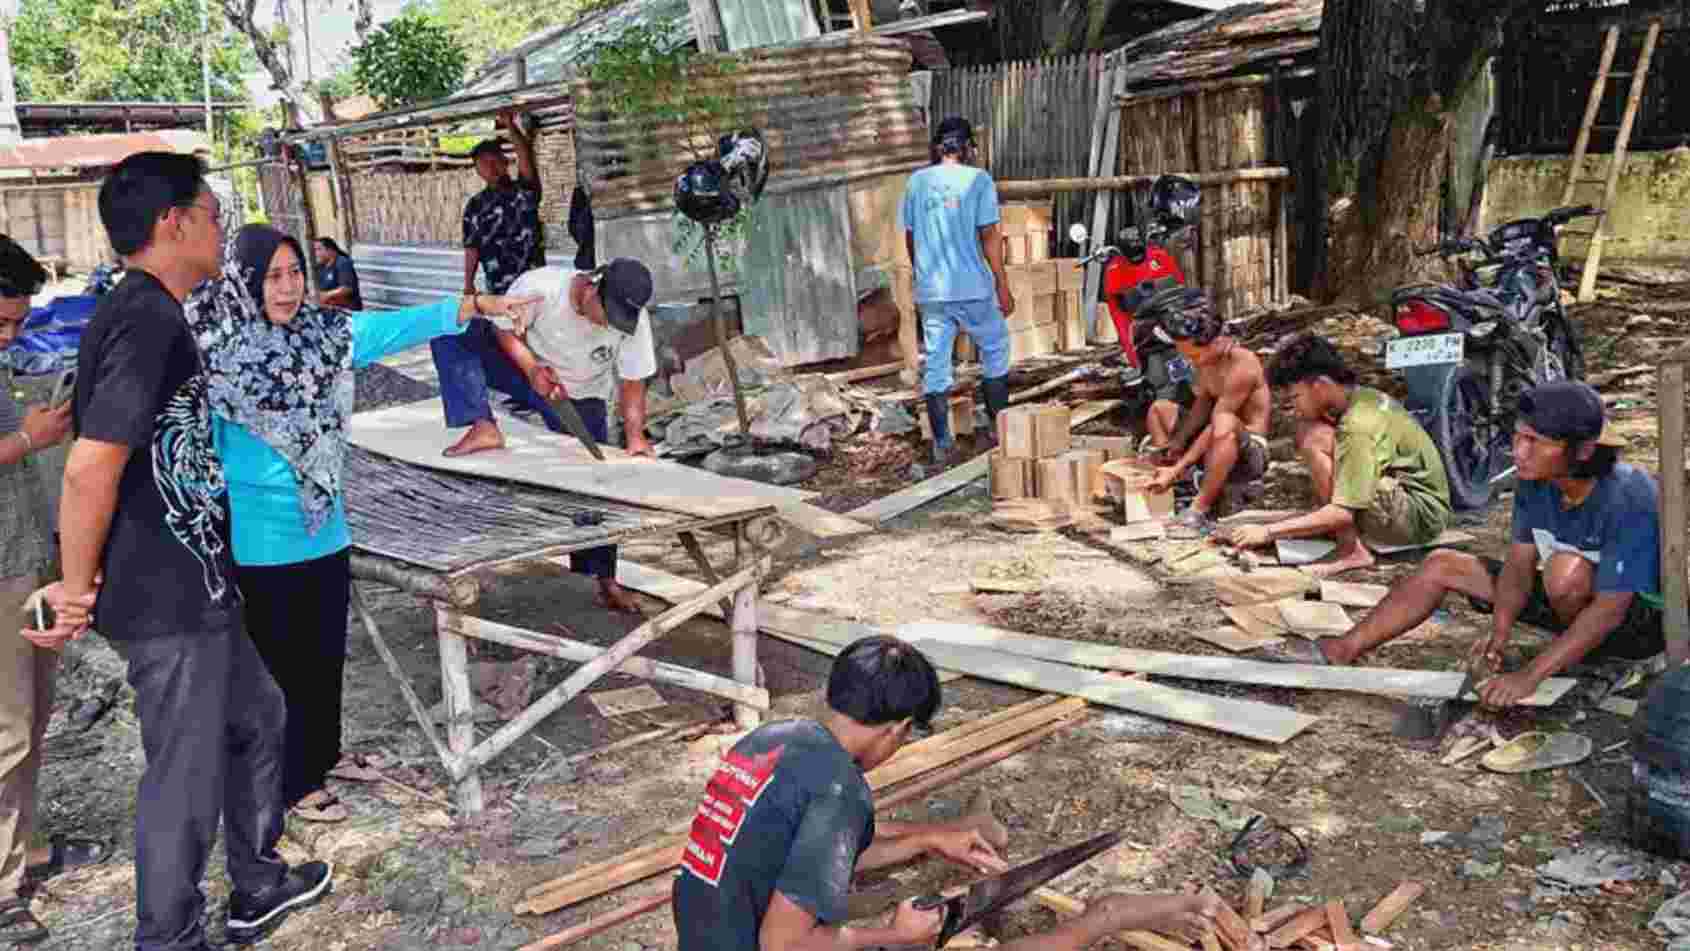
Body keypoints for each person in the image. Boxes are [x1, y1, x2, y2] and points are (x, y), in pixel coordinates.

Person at [42, 152, 332, 949]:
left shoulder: (147, 311)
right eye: (210, 213)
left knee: (258, 716)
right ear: (173, 223)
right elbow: (90, 462)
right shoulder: (144, 317)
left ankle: (257, 878)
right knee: (185, 772)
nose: (217, 227)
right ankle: (170, 936)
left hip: (197, 580)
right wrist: (74, 587)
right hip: (168, 598)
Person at [187, 224, 537, 824]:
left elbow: (405, 325)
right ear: (245, 280)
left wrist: (481, 305)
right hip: (260, 538)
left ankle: (322, 757)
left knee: (324, 658)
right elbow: (198, 452)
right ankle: (291, 784)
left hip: (326, 527)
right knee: (281, 668)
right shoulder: (217, 357)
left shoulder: (325, 337)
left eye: (296, 273)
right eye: (272, 276)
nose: (289, 287)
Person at [672, 636, 1219, 951]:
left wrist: (927, 840)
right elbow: (783, 947)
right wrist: (889, 934)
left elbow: (808, 850)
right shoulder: (839, 790)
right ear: (899, 729)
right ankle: (1106, 917)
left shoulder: (772, 741)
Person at [1280, 381, 1664, 702]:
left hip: (1636, 625)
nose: (1519, 451)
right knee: (1442, 563)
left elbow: (1611, 609)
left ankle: (1594, 660)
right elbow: (1518, 565)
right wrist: (1500, 630)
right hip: (1572, 603)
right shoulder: (1536, 481)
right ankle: (1344, 648)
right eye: (1518, 437)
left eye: (1534, 441)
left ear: (1581, 450)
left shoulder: (1629, 495)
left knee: (1565, 573)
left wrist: (1528, 676)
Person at [432, 260, 657, 615]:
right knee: (451, 332)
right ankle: (482, 425)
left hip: (581, 396)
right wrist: (531, 367)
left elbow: (633, 382)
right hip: (530, 370)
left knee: (595, 485)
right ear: (591, 287)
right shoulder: (541, 287)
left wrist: (635, 438)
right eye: (605, 314)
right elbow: (503, 328)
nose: (607, 324)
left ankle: (603, 581)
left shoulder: (633, 320)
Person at [0, 235, 108, 947]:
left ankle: (28, 848)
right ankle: (3, 889)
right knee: (6, 726)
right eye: (1, 322)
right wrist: (29, 440)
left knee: (33, 715)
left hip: (22, 553)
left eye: (17, 323)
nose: (10, 335)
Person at [1214, 334, 1451, 577]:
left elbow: (1342, 512)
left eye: (1295, 397)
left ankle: (1352, 550)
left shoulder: (1358, 426)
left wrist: (1267, 532)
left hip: (1419, 519)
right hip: (1414, 503)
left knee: (1314, 439)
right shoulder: (1361, 396)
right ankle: (1347, 538)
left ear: (1319, 385)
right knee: (1312, 431)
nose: (1294, 407)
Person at [900, 116, 1014, 463]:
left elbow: (910, 235)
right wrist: (1002, 284)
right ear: (966, 148)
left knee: (936, 363)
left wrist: (922, 274)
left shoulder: (916, 182)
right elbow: (990, 236)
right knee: (995, 348)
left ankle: (942, 444)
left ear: (937, 148)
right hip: (973, 287)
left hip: (932, 291)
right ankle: (999, 430)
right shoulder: (978, 180)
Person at [1141, 289, 1270, 533]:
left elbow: (1218, 423)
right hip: (1211, 436)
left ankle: (1199, 509)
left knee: (1224, 423)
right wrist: (1176, 443)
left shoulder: (1243, 364)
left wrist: (1179, 465)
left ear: (1215, 342)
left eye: (1193, 354)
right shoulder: (1206, 362)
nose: (1189, 359)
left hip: (1246, 450)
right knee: (1160, 410)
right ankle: (1176, 486)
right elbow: (1202, 405)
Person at [460, 108, 543, 298]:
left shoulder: (525, 191)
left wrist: (509, 125)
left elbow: (524, 155)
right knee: (507, 327)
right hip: (500, 290)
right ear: (478, 172)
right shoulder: (475, 207)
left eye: (494, 161)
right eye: (483, 164)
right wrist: (468, 284)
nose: (491, 168)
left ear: (505, 162)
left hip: (536, 283)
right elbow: (471, 247)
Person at [312, 237, 362, 310]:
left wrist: (326, 295)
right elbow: (322, 290)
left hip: (347, 311)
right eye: (315, 250)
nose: (316, 253)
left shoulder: (342, 262)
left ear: (330, 250)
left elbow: (347, 288)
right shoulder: (320, 267)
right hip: (330, 309)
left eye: (319, 249)